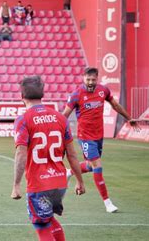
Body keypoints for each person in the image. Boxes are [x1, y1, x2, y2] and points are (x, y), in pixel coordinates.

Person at [11, 76, 85, 241]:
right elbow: (72, 155)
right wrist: (80, 181)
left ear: (22, 96)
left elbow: (21, 153)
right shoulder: (60, 118)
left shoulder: (23, 120)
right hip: (59, 183)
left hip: (39, 184)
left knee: (42, 225)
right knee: (49, 219)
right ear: (42, 94)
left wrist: (16, 184)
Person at [63, 67, 140, 213]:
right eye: (88, 79)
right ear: (83, 78)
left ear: (97, 79)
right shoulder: (76, 95)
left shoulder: (103, 91)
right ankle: (107, 202)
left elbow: (115, 105)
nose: (90, 82)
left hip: (99, 135)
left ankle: (69, 172)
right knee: (97, 166)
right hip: (85, 137)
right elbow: (65, 115)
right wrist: (58, 131)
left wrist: (129, 118)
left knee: (91, 166)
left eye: (93, 79)